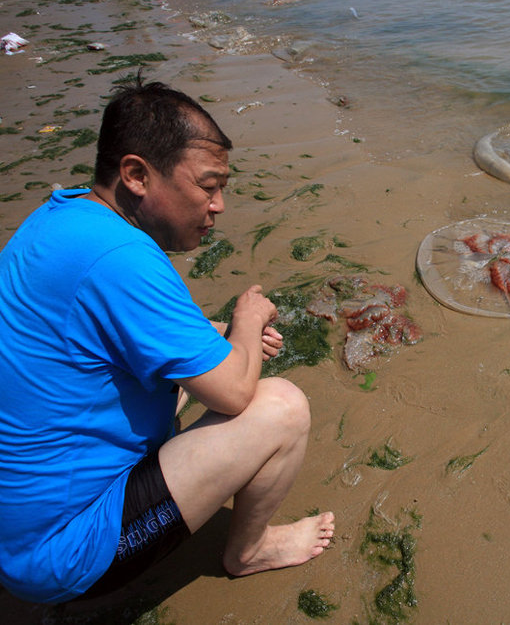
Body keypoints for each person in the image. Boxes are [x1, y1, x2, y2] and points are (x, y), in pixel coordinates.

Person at [0, 78, 334, 604]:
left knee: (199, 355)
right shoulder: (122, 260)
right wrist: (246, 320)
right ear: (136, 175)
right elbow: (233, 394)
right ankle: (249, 551)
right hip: (58, 552)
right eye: (208, 186)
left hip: (18, 519)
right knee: (281, 408)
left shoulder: (63, 216)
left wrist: (220, 338)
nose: (218, 205)